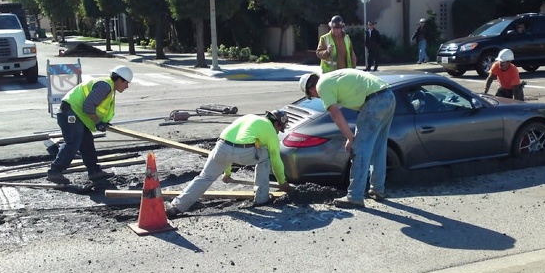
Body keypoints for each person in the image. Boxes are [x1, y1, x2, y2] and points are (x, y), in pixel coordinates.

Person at [165, 110, 293, 218]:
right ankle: (261, 198)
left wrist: (227, 173)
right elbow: (276, 160)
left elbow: (230, 145)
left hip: (220, 147)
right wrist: (282, 182)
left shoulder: (248, 118)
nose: (278, 132)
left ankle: (176, 207)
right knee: (266, 156)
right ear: (276, 123)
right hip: (242, 151)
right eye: (279, 128)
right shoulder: (270, 130)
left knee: (205, 177)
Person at [299, 69, 396, 208]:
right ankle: (377, 189)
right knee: (378, 148)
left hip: (374, 101)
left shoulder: (322, 86)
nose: (316, 97)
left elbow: (336, 115)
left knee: (359, 149)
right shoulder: (331, 78)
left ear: (311, 89)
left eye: (312, 96)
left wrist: (351, 138)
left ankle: (355, 196)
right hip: (388, 96)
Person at [46, 65, 133, 185]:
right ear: (119, 79)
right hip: (70, 113)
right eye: (126, 83)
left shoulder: (107, 86)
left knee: (86, 141)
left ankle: (94, 171)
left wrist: (100, 122)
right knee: (73, 142)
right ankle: (54, 171)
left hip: (77, 114)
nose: (127, 86)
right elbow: (88, 106)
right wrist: (97, 122)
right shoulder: (105, 86)